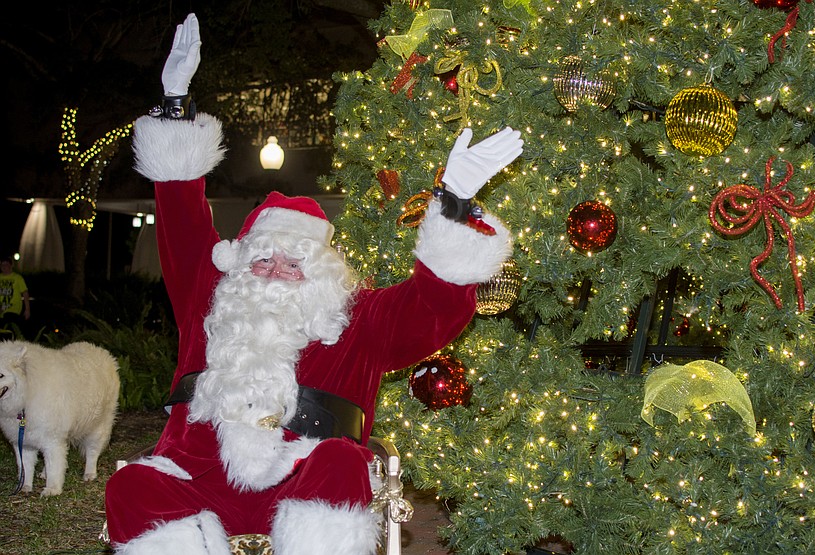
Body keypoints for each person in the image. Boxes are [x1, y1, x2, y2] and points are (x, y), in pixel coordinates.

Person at [104, 13, 523, 555]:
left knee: (343, 460)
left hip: (306, 481)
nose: (275, 271)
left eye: (293, 264)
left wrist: (456, 205)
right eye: (263, 261)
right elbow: (182, 219)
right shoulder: (209, 297)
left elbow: (433, 308)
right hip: (197, 480)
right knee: (131, 486)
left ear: (321, 274)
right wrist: (175, 106)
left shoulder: (356, 317)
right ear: (238, 264)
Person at [0, 255, 31, 329]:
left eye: (6, 265)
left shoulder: (17, 278)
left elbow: (25, 293)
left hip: (13, 309)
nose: (4, 267)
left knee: (9, 323)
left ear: (11, 266)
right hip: (1, 309)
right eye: (2, 265)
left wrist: (27, 309)